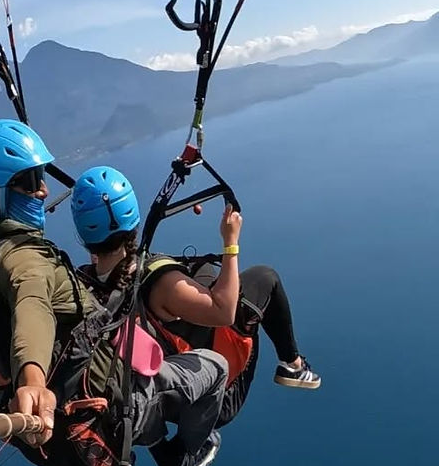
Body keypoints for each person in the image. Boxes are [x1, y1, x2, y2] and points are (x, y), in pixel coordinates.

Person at [0, 110, 227, 466]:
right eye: (30, 182)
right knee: (215, 367)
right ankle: (186, 456)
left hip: (73, 382)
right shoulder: (27, 260)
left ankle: (158, 441)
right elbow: (31, 303)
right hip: (105, 398)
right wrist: (32, 379)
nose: (43, 191)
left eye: (41, 178)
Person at [71, 164, 320, 436]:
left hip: (171, 396)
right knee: (264, 278)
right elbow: (224, 312)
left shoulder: (89, 283)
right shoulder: (162, 283)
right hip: (216, 393)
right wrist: (230, 242)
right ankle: (293, 365)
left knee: (203, 270)